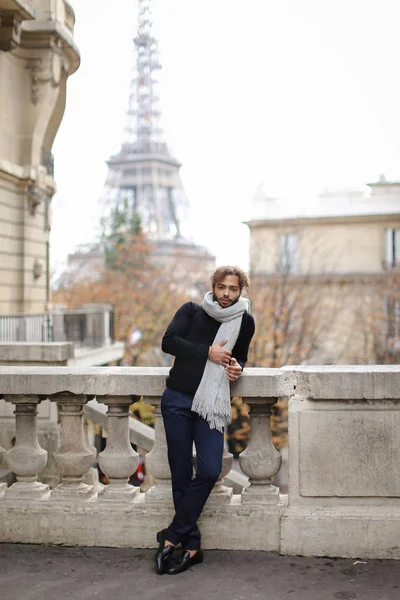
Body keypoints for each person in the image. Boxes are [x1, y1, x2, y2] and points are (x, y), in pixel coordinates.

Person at [155, 266, 255, 575]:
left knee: (210, 468)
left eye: (233, 289)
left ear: (241, 291)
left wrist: (236, 369)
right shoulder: (191, 312)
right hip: (178, 401)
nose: (227, 293)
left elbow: (240, 358)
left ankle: (171, 536)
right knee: (181, 471)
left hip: (210, 405)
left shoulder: (245, 322)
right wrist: (206, 353)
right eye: (222, 287)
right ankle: (192, 545)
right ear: (213, 287)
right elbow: (168, 342)